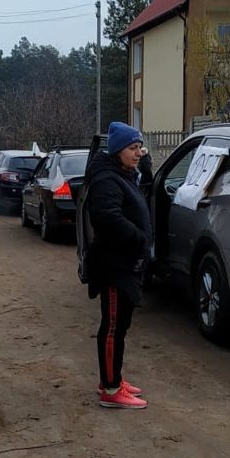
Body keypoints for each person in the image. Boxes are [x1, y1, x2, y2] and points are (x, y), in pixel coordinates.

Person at [85, 122, 152, 409]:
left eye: (139, 148)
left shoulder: (123, 174)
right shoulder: (107, 179)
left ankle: (112, 378)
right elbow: (106, 217)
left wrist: (145, 165)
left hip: (125, 264)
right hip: (114, 266)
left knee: (120, 325)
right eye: (132, 148)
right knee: (113, 327)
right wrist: (138, 237)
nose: (138, 153)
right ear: (117, 150)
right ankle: (111, 390)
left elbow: (143, 192)